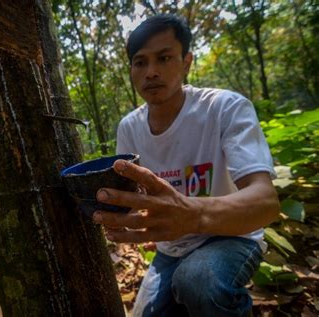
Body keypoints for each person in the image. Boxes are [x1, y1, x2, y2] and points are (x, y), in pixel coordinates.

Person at [91, 14, 280, 317]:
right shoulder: (129, 128)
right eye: (140, 62)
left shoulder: (224, 108)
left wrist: (194, 216)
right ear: (131, 70)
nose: (151, 72)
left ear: (187, 61)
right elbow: (132, 199)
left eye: (164, 58)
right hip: (171, 248)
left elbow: (265, 203)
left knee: (198, 280)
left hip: (233, 235)